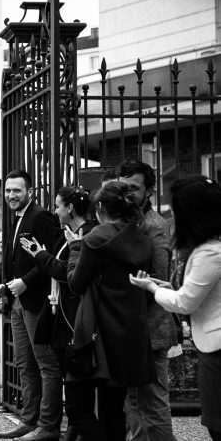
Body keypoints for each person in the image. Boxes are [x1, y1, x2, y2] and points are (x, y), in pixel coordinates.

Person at [130, 175, 221, 441]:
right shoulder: (208, 248)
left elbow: (185, 302)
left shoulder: (209, 253)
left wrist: (153, 289)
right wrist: (163, 286)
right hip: (211, 345)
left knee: (217, 424)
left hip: (216, 347)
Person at [65, 181, 156, 441]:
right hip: (128, 334)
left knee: (76, 405)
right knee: (114, 410)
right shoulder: (143, 240)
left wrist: (75, 247)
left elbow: (76, 283)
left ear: (102, 207)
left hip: (95, 334)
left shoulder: (95, 238)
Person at [19, 186, 96, 441]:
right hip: (61, 310)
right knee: (68, 376)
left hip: (75, 313)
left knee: (76, 380)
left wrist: (39, 255)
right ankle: (71, 429)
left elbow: (67, 271)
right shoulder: (67, 233)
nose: (54, 211)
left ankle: (71, 428)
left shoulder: (87, 234)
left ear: (70, 208)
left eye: (58, 205)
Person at [0, 170, 62, 441]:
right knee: (24, 363)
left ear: (29, 192)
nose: (11, 195)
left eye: (17, 191)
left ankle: (48, 427)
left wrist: (25, 282)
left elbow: (51, 257)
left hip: (37, 301)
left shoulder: (41, 216)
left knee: (46, 364)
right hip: (18, 301)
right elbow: (15, 259)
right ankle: (29, 421)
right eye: (8, 191)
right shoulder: (16, 218)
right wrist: (7, 284)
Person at [117, 160, 175, 441]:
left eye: (134, 188)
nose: (127, 193)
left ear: (150, 191)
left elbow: (160, 280)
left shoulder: (154, 225)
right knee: (132, 402)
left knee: (153, 404)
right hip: (130, 329)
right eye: (123, 186)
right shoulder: (125, 221)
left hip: (150, 329)